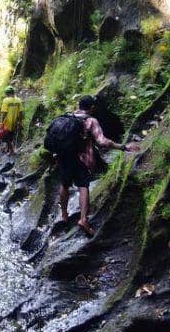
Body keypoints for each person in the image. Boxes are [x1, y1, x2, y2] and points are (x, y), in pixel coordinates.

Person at [54, 95, 138, 237]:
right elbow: (102, 142)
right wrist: (123, 147)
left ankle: (64, 215)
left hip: (63, 158)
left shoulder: (68, 117)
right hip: (82, 159)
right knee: (83, 187)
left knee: (64, 184)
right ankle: (83, 220)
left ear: (79, 105)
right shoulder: (91, 120)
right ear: (92, 107)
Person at [0, 86, 23, 155]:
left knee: (5, 137)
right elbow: (21, 112)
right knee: (11, 135)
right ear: (13, 92)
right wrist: (20, 121)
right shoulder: (19, 100)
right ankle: (8, 149)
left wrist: (1, 122)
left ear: (7, 94)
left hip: (7, 122)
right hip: (15, 122)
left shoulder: (6, 100)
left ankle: (11, 150)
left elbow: (4, 112)